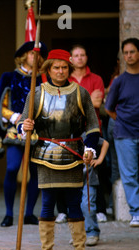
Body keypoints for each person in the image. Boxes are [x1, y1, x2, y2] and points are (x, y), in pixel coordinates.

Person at [18, 49, 100, 250]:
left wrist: (90, 148)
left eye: (64, 67)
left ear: (69, 69)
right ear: (48, 69)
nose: (61, 71)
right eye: (56, 67)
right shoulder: (36, 93)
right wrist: (24, 126)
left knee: (74, 202)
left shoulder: (81, 93)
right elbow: (23, 123)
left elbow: (93, 125)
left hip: (74, 153)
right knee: (47, 203)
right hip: (45, 153)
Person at [0, 40, 48, 227]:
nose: (36, 57)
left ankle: (29, 213)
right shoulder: (9, 77)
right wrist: (17, 117)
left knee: (35, 172)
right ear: (25, 56)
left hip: (37, 132)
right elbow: (1, 107)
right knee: (12, 168)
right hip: (15, 131)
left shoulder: (43, 79)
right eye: (33, 53)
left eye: (39, 54)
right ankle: (9, 213)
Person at [60, 45, 108, 224]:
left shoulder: (96, 78)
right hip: (69, 131)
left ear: (87, 57)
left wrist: (78, 104)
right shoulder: (66, 79)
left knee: (94, 170)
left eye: (83, 55)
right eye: (76, 55)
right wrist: (88, 101)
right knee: (65, 169)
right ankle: (64, 210)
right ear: (71, 59)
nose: (79, 58)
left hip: (92, 129)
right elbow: (88, 102)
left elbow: (97, 102)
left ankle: (99, 209)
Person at [104, 38, 139, 228]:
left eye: (132, 52)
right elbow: (109, 108)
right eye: (125, 53)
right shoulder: (119, 81)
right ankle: (136, 213)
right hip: (125, 133)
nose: (129, 56)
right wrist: (123, 121)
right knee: (129, 174)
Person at [80, 135, 109, 246]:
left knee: (87, 204)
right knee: (76, 206)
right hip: (74, 178)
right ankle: (79, 234)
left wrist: (99, 159)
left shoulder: (89, 135)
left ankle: (92, 232)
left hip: (89, 177)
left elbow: (105, 143)